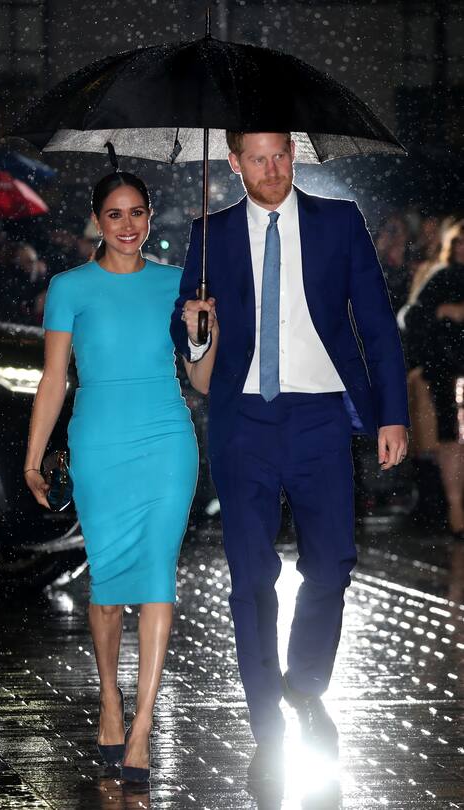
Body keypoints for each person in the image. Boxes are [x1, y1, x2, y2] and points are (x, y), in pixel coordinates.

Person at [171, 132, 409, 787]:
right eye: (258, 158)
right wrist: (196, 329)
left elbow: (378, 325)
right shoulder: (210, 234)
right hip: (241, 421)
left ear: (293, 156)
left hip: (322, 418)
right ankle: (266, 729)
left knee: (331, 564)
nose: (272, 169)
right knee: (250, 580)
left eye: (281, 155)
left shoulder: (338, 222)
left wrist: (393, 413)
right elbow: (188, 335)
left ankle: (305, 683)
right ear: (233, 163)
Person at [24, 171, 217, 783]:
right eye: (115, 214)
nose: (128, 225)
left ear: (150, 216)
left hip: (166, 440)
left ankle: (142, 728)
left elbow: (204, 381)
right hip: (99, 443)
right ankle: (110, 697)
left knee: (158, 576)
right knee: (107, 588)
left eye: (137, 212)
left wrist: (199, 333)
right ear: (97, 221)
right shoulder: (68, 288)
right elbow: (54, 379)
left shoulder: (179, 285)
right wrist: (33, 458)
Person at [403, 220, 464, 539]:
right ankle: (455, 513)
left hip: (445, 368)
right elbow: (412, 317)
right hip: (448, 370)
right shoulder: (443, 277)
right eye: (459, 243)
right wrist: (444, 310)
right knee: (451, 441)